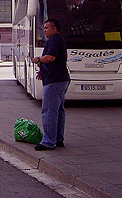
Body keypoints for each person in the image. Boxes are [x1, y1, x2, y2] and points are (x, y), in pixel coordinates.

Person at [32, 19, 70, 151]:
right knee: (59, 110)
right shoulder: (57, 39)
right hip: (60, 79)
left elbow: (50, 58)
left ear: (55, 29)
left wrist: (37, 59)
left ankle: (48, 142)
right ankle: (58, 139)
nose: (44, 31)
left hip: (54, 81)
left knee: (49, 111)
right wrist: (42, 71)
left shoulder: (55, 39)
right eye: (44, 28)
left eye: (47, 28)